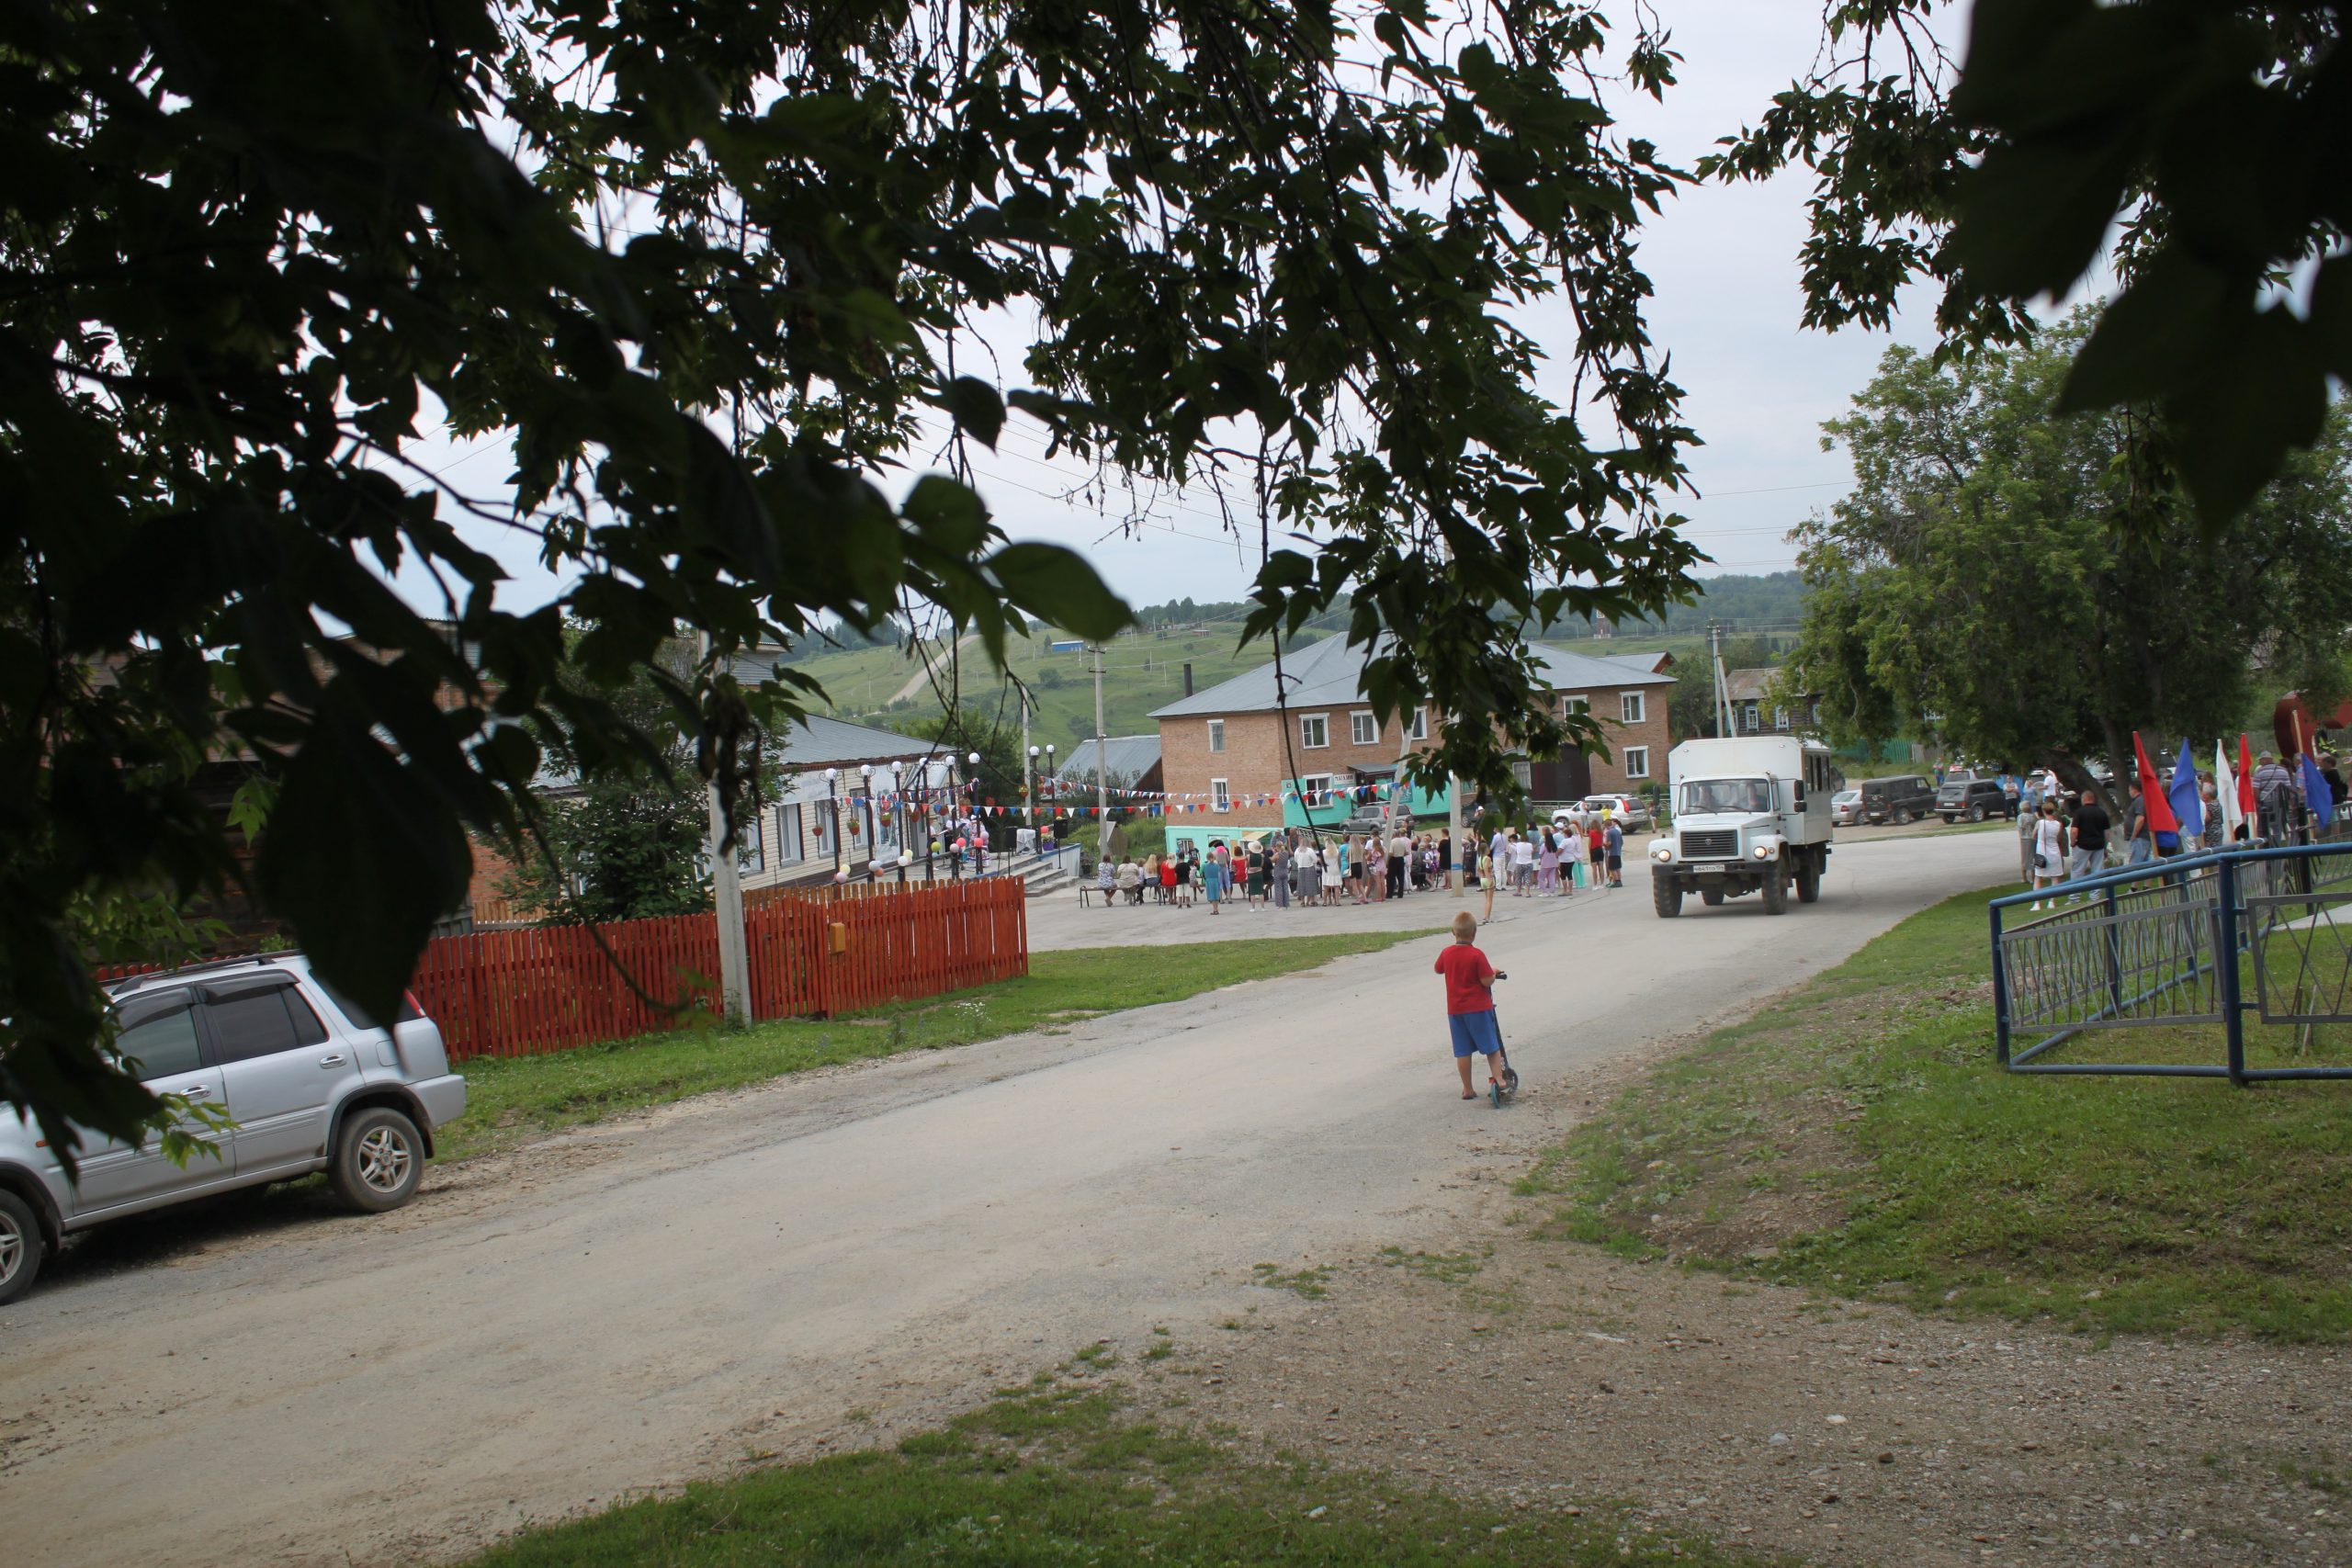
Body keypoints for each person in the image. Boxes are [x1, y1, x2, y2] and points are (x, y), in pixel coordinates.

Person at [1433, 910, 1508, 1101]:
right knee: (1492, 1045)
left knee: (1463, 1050)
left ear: (1453, 932)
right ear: (1474, 933)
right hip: (1479, 1009)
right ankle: (1499, 1079)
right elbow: (1486, 981)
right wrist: (1493, 972)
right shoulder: (1477, 955)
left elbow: (1438, 969)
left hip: (1456, 1010)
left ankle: (1467, 1088)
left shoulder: (1447, 953)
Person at [2067, 788, 2109, 895]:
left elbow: (2074, 831)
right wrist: (2105, 846)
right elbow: (2107, 832)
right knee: (2097, 871)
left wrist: (2072, 843)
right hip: (2098, 845)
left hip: (2082, 845)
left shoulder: (2079, 813)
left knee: (2077, 871)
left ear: (2084, 799)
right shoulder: (2101, 812)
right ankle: (2095, 895)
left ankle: (2075, 896)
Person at [2028, 799, 2068, 908]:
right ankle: (2052, 901)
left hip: (2041, 852)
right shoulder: (2058, 824)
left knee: (2038, 877)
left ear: (2044, 811)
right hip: (2054, 852)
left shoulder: (2040, 823)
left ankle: (2037, 903)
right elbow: (2058, 838)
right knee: (2054, 878)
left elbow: (2033, 836)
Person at [2121, 780, 2153, 866]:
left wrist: (2133, 836)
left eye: (2129, 790)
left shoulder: (2139, 801)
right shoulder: (2139, 801)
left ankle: (2134, 880)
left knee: (2134, 865)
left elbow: (2140, 819)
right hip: (2140, 838)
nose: (2129, 792)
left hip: (2139, 838)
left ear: (2134, 789)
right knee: (2145, 866)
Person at [1387, 824, 1411, 899]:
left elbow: (1391, 853)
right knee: (1401, 877)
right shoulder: (1402, 841)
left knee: (1391, 877)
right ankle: (1400, 894)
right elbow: (1407, 852)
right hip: (1401, 859)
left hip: (1393, 859)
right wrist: (1401, 854)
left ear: (1393, 834)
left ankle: (1389, 894)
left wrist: (1388, 860)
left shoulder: (1392, 842)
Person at [1603, 816, 1624, 887]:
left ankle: (1616, 881)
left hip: (1612, 852)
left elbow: (1609, 843)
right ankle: (1619, 881)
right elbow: (1621, 842)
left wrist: (1604, 844)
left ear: (1606, 825)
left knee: (1612, 868)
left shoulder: (1609, 832)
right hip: (1618, 851)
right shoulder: (1617, 831)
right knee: (1618, 868)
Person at [1270, 839, 1291, 908]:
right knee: (1285, 888)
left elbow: (1272, 860)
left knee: (1279, 888)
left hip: (1278, 872)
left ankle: (1280, 905)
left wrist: (1273, 852)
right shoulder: (1286, 853)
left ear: (1277, 847)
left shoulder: (1277, 854)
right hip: (1285, 871)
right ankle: (1286, 904)